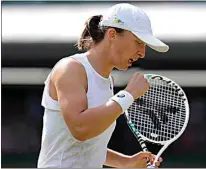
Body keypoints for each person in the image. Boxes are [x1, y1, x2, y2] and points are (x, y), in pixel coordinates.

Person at [37, 3, 169, 168]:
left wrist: (126, 162)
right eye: (138, 42)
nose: (142, 53)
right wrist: (128, 95)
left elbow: (86, 148)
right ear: (112, 34)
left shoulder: (107, 82)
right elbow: (81, 129)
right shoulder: (70, 69)